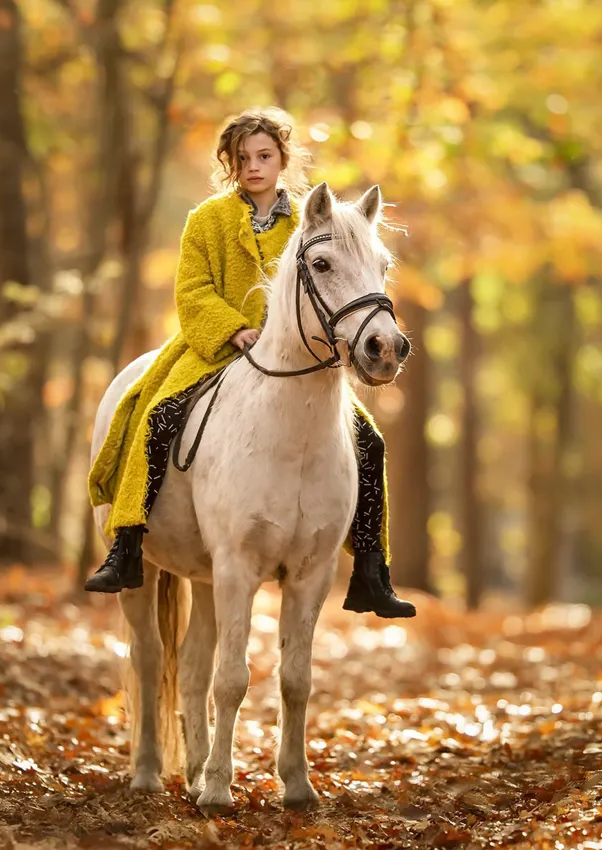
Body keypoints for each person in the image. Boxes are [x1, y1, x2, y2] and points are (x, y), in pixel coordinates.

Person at [85, 107, 415, 619]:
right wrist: (233, 329)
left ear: (283, 159)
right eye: (243, 158)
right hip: (213, 347)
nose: (254, 166)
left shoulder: (317, 221)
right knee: (156, 413)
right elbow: (192, 291)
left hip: (297, 356)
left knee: (369, 440)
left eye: (264, 156)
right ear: (230, 164)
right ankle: (128, 541)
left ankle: (373, 568)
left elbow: (342, 283)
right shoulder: (208, 220)